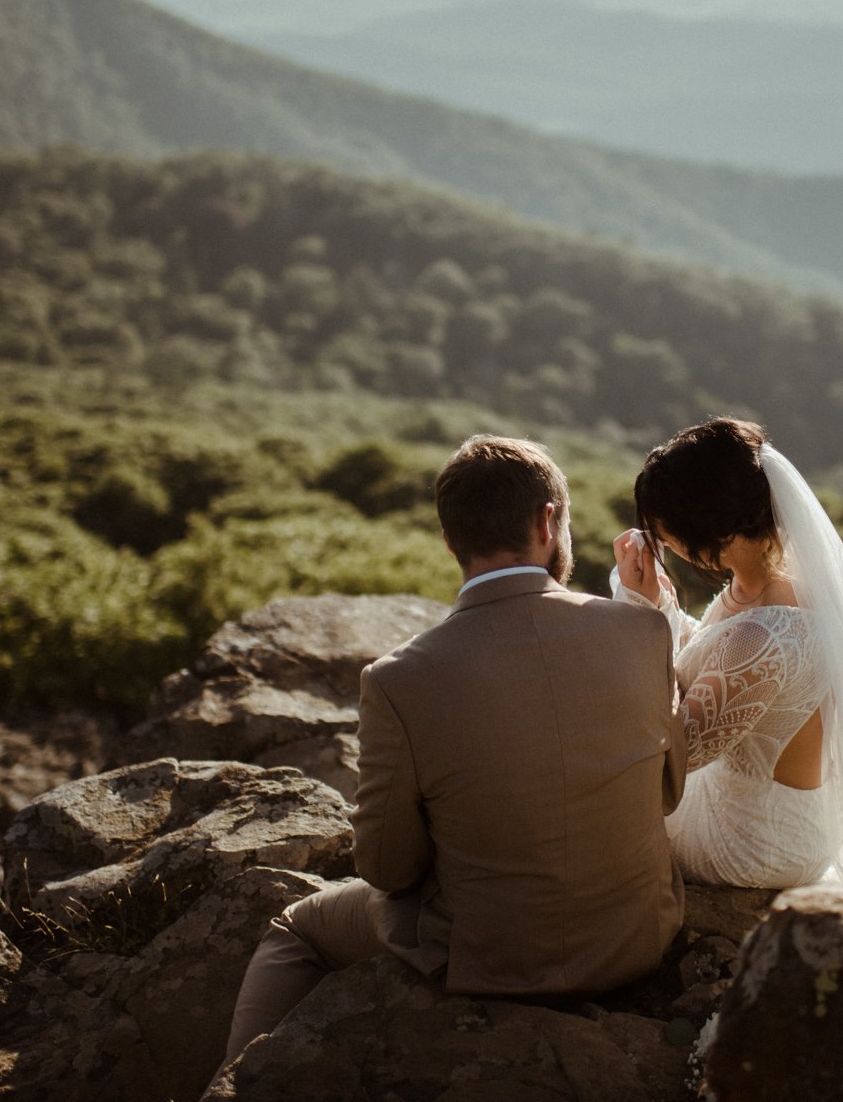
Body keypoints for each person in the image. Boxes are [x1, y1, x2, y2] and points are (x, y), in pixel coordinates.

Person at [222, 434, 688, 1065]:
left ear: (450, 541)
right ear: (549, 521)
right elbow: (667, 792)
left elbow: (386, 870)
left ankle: (235, 1079)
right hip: (635, 940)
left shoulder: (398, 678)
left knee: (295, 928)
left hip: (492, 961)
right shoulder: (643, 630)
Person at [612, 417, 843, 888]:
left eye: (667, 534)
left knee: (596, 806)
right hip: (767, 818)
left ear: (704, 524)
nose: (665, 546)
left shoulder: (765, 636)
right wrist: (662, 607)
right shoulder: (769, 583)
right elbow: (712, 663)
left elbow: (673, 756)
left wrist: (643, 616)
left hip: (752, 844)